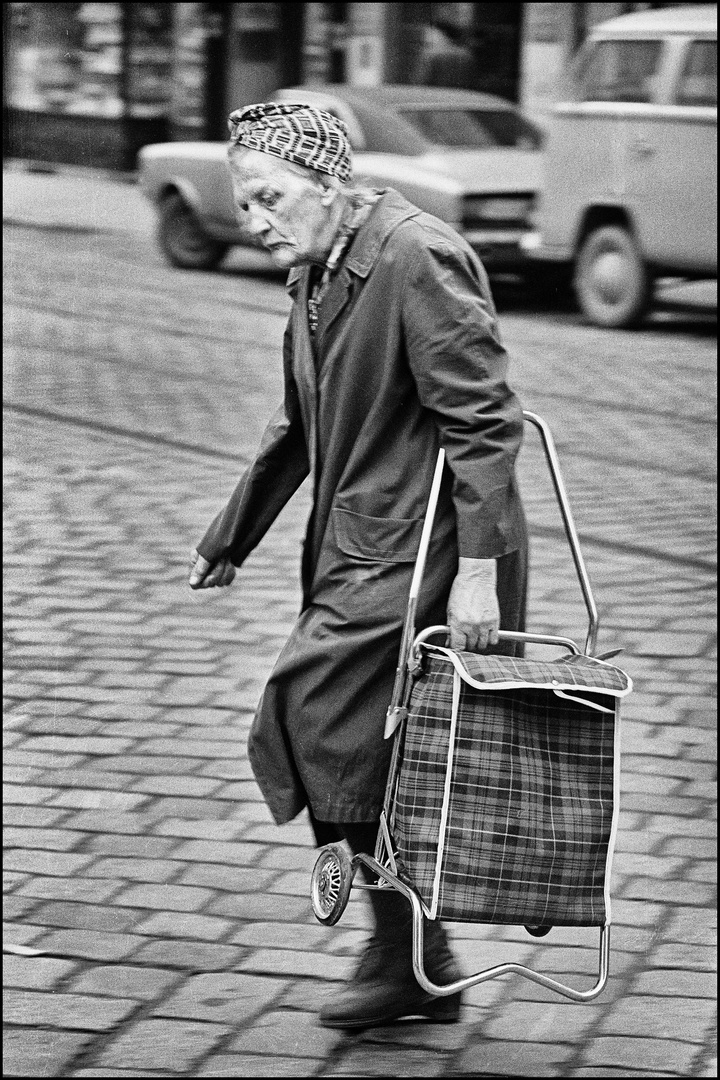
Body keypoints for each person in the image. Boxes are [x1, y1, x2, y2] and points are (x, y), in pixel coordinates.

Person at [188, 102, 528, 1029]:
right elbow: (298, 420)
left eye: (270, 197)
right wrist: (232, 535)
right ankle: (408, 953)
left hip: (427, 547)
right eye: (244, 200)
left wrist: (479, 575)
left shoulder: (417, 256)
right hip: (360, 547)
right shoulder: (315, 268)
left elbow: (486, 422)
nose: (255, 218)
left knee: (311, 713)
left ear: (329, 184)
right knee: (362, 748)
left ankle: (406, 951)